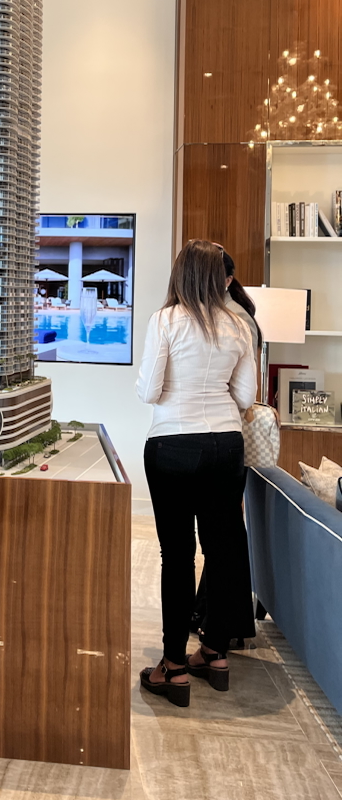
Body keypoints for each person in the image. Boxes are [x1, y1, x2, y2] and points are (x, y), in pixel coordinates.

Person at [136, 239, 257, 706]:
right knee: (222, 550)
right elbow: (245, 396)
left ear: (182, 274)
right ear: (220, 279)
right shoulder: (239, 324)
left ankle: (174, 666)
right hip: (226, 444)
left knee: (177, 555)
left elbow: (149, 391)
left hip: (172, 444)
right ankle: (215, 653)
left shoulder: (166, 320)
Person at [190, 246, 261, 640]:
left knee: (221, 536)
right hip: (228, 434)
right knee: (225, 532)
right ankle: (218, 622)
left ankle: (220, 623)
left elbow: (244, 392)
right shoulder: (231, 316)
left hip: (226, 433)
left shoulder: (233, 320)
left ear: (228, 280)